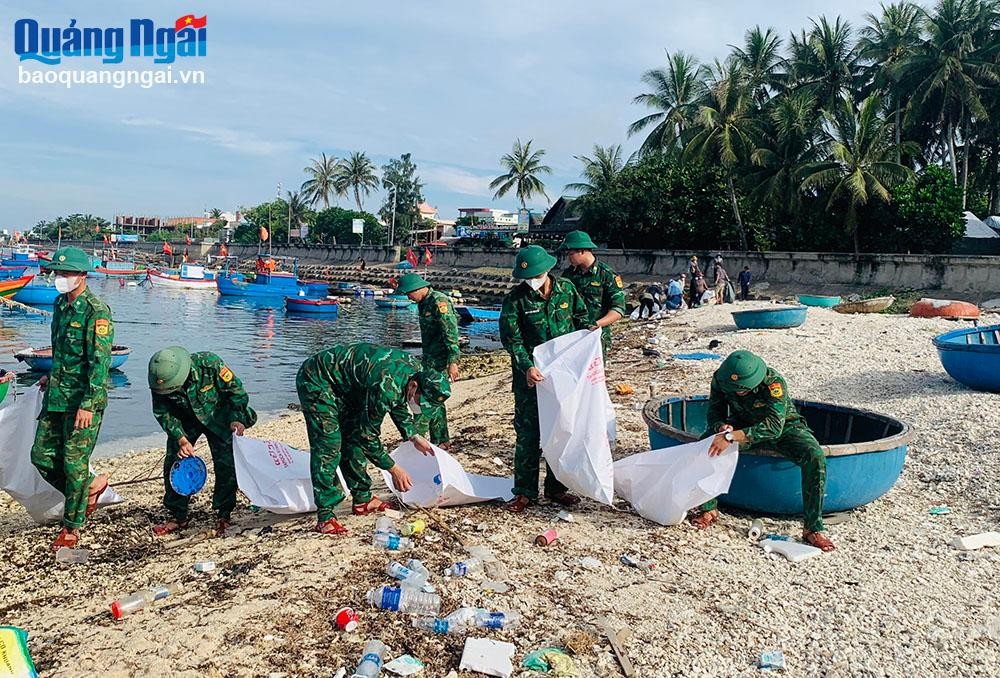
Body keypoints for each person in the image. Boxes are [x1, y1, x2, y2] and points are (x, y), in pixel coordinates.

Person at [296, 344, 450, 535]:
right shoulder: (385, 386)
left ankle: (362, 499)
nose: (419, 406)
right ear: (414, 386)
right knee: (329, 444)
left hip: (350, 388)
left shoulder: (416, 374)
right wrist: (394, 469)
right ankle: (325, 516)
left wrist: (413, 435)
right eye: (421, 402)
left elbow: (398, 403)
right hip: (317, 379)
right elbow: (368, 437)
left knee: (352, 438)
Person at [691, 350, 835, 552]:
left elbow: (774, 426)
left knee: (815, 456)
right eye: (736, 390)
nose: (739, 393)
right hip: (741, 426)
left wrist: (731, 437)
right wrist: (721, 427)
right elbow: (715, 411)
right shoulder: (721, 380)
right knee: (707, 445)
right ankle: (708, 509)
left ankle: (813, 528)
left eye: (744, 390)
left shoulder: (773, 383)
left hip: (785, 429)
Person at [29, 247, 113, 551]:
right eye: (57, 273)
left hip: (83, 402)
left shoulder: (96, 311)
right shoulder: (60, 305)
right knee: (41, 456)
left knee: (74, 463)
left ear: (82, 275)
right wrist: (51, 376)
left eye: (65, 273)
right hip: (57, 395)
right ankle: (92, 487)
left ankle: (73, 527)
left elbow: (100, 363)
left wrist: (88, 404)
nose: (59, 278)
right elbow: (61, 351)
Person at [499, 245, 589, 513]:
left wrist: (585, 354)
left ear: (547, 270)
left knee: (559, 432)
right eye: (527, 277)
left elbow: (582, 322)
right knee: (528, 436)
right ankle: (525, 492)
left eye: (536, 275)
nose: (532, 281)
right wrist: (526, 366)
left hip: (562, 378)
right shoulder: (516, 299)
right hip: (530, 379)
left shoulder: (567, 290)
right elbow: (512, 340)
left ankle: (556, 488)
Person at [147, 348, 258, 537]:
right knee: (175, 461)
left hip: (219, 416)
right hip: (186, 420)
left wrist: (237, 418)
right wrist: (181, 440)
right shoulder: (160, 380)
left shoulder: (210, 364)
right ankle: (178, 515)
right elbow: (163, 413)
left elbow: (236, 393)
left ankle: (224, 513)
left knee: (226, 464)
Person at [394, 273, 461, 448]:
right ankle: (441, 439)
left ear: (417, 289)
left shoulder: (439, 301)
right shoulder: (422, 303)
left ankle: (419, 437)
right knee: (435, 398)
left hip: (440, 358)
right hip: (429, 357)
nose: (408, 297)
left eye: (409, 293)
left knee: (426, 396)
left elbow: (450, 333)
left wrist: (453, 361)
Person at [560, 231, 626, 360]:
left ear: (582, 251)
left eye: (571, 253)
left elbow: (618, 309)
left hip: (596, 336)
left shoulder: (606, 275)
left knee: (594, 377)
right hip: (573, 336)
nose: (569, 257)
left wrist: (596, 324)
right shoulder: (569, 275)